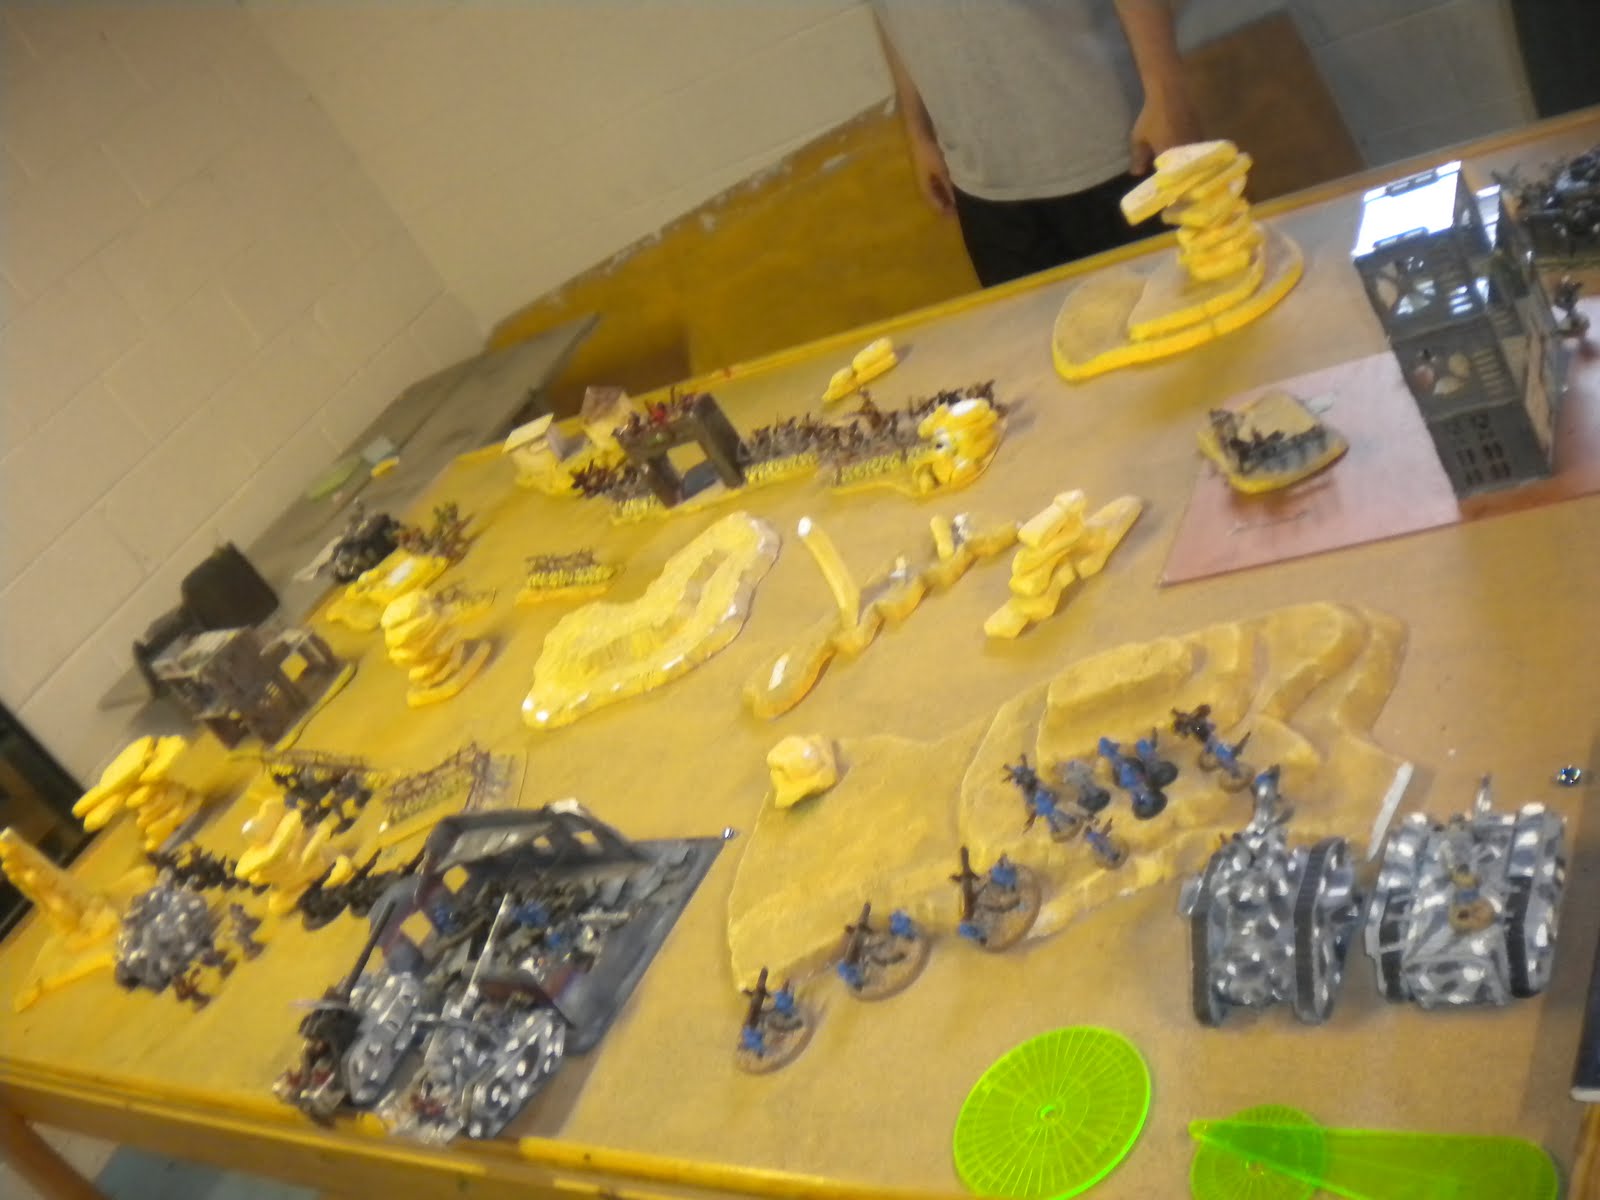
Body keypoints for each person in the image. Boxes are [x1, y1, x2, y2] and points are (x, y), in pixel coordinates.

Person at [874, 0, 1200, 287]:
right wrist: (919, 132)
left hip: (1110, 152)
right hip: (983, 186)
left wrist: (1166, 93)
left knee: (1178, 322)